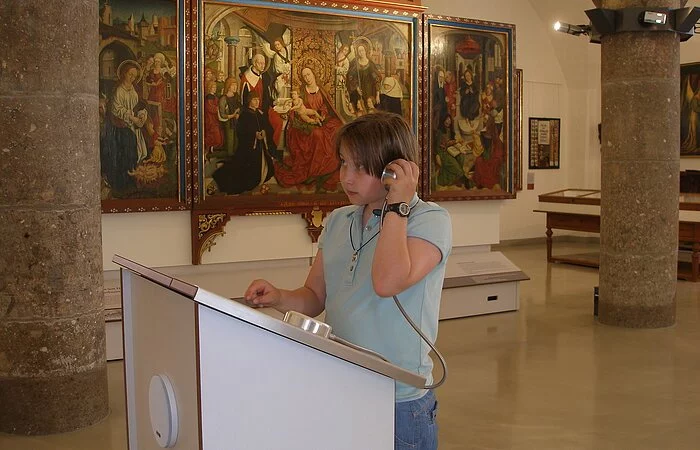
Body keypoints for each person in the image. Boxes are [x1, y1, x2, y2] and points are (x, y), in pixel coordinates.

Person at [245, 111, 452, 450]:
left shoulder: (428, 221)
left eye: (360, 167)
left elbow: (388, 283)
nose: (347, 178)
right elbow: (315, 295)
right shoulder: (339, 220)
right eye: (344, 163)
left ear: (393, 170)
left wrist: (397, 207)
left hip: (398, 398)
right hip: (341, 382)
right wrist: (278, 297)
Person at [274, 67, 343, 192]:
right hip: (305, 121)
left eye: (309, 74)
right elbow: (298, 109)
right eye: (304, 76)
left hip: (322, 118)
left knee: (338, 127)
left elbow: (325, 106)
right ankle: (317, 170)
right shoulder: (302, 91)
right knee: (318, 134)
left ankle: (329, 166)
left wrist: (322, 114)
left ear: (314, 75)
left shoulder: (321, 90)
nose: (307, 78)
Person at [101, 60, 148, 193]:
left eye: (135, 75)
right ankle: (121, 184)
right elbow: (116, 109)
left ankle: (131, 181)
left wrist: (142, 115)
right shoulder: (118, 90)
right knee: (126, 152)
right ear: (123, 74)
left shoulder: (134, 89)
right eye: (130, 74)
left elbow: (139, 104)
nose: (132, 78)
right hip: (120, 126)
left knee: (133, 152)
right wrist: (132, 118)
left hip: (132, 125)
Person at [212, 94, 274, 194]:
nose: (257, 102)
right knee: (242, 173)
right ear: (249, 101)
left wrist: (264, 132)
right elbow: (241, 131)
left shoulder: (259, 113)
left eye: (258, 99)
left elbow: (267, 126)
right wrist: (254, 135)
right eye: (254, 99)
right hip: (248, 148)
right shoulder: (245, 115)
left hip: (260, 147)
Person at [218, 77, 241, 156]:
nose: (235, 87)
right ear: (228, 86)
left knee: (237, 140)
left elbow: (240, 107)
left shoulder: (236, 96)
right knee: (230, 142)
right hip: (228, 123)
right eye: (233, 85)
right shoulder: (223, 99)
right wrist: (233, 115)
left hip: (237, 121)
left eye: (236, 85)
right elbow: (222, 115)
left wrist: (238, 113)